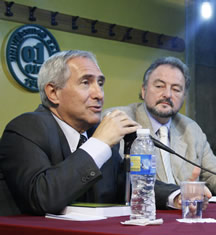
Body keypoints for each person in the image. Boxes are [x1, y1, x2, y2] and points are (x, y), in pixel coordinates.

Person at [0, 50, 179, 215]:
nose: (99, 94)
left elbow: (126, 186)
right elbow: (43, 198)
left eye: (100, 84)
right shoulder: (25, 128)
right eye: (86, 83)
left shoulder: (96, 133)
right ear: (53, 92)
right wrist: (99, 144)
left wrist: (177, 195)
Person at [103, 56, 213, 208]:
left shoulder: (191, 129)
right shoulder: (119, 120)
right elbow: (121, 180)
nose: (167, 94)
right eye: (160, 86)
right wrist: (176, 194)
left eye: (176, 89)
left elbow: (212, 173)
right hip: (140, 216)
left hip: (186, 216)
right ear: (143, 90)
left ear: (184, 97)